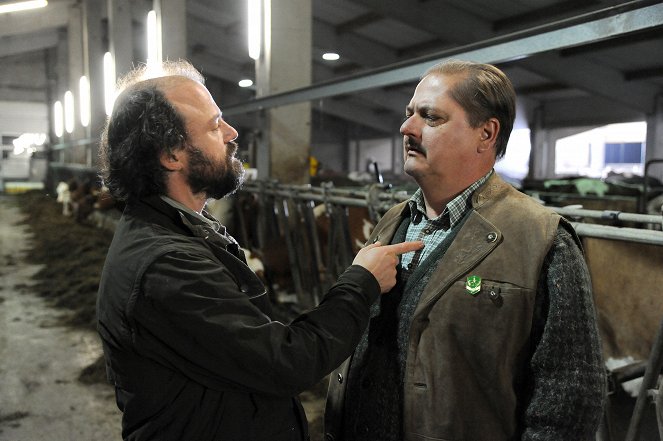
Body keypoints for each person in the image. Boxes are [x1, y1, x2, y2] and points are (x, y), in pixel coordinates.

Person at [96, 60, 423, 441]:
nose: (232, 133)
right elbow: (287, 362)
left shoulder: (182, 232)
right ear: (171, 155)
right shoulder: (166, 264)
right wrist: (360, 283)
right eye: (214, 126)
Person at [325, 59, 606, 441]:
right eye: (409, 114)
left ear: (486, 134)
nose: (407, 127)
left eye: (431, 117)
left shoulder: (543, 240)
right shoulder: (392, 221)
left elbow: (568, 399)